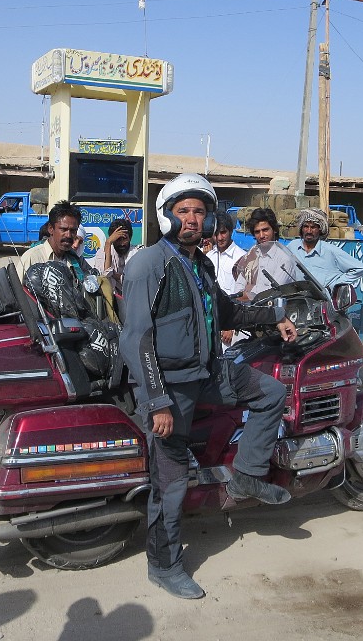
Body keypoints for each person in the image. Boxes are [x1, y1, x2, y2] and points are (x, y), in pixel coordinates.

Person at [121, 173, 298, 601]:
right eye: (183, 211)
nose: (192, 219)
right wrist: (158, 401)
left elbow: (226, 313)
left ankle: (248, 475)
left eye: (199, 212)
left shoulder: (198, 264)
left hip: (208, 372)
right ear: (167, 216)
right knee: (171, 479)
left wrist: (272, 317)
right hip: (171, 385)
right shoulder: (149, 263)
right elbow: (136, 338)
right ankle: (163, 564)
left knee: (271, 393)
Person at [288, 208, 363, 291]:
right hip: (297, 298)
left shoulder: (330, 250)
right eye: (306, 227)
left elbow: (360, 268)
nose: (309, 231)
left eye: (313, 227)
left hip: (322, 300)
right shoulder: (293, 246)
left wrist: (335, 285)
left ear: (320, 229)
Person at [17, 200, 93, 281]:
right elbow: (17, 290)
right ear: (50, 229)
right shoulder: (32, 258)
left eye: (73, 231)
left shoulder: (76, 261)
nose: (68, 235)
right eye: (63, 229)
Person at [234, 207, 298, 299]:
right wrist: (243, 294)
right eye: (257, 232)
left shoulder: (284, 260)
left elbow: (272, 293)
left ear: (274, 229)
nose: (262, 236)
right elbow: (239, 285)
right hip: (247, 309)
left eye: (265, 230)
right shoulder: (252, 255)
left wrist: (249, 291)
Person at [205, 211, 247, 349]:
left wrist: (231, 326)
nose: (219, 238)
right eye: (216, 234)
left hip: (230, 330)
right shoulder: (209, 257)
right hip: (211, 324)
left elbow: (244, 295)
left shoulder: (242, 258)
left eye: (223, 232)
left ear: (230, 231)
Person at [92, 218, 138, 295]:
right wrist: (108, 243)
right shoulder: (103, 252)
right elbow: (104, 279)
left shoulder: (137, 252)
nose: (122, 244)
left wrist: (115, 275)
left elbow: (136, 280)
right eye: (118, 239)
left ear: (130, 238)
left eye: (125, 239)